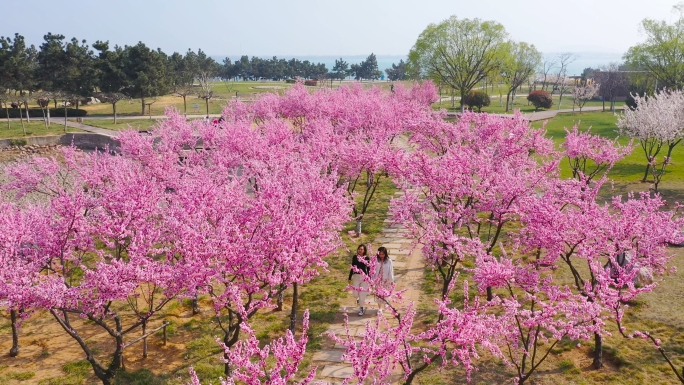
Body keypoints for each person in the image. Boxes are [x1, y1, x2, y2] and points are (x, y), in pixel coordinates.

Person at [348, 244, 370, 316]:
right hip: (356, 277)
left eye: (361, 249)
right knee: (355, 293)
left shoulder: (366, 258)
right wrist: (349, 277)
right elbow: (352, 267)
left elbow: (369, 269)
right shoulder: (355, 257)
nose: (360, 250)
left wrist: (369, 278)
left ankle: (361, 307)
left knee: (362, 294)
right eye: (359, 249)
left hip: (364, 277)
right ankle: (358, 299)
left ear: (364, 251)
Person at [374, 246, 394, 313]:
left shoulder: (389, 261)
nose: (381, 256)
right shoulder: (376, 260)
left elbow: (391, 271)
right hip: (378, 280)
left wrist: (391, 281)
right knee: (378, 294)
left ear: (385, 254)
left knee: (386, 293)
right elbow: (373, 270)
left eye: (383, 254)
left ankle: (386, 303)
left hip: (386, 280)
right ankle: (379, 308)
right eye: (380, 254)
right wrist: (373, 279)